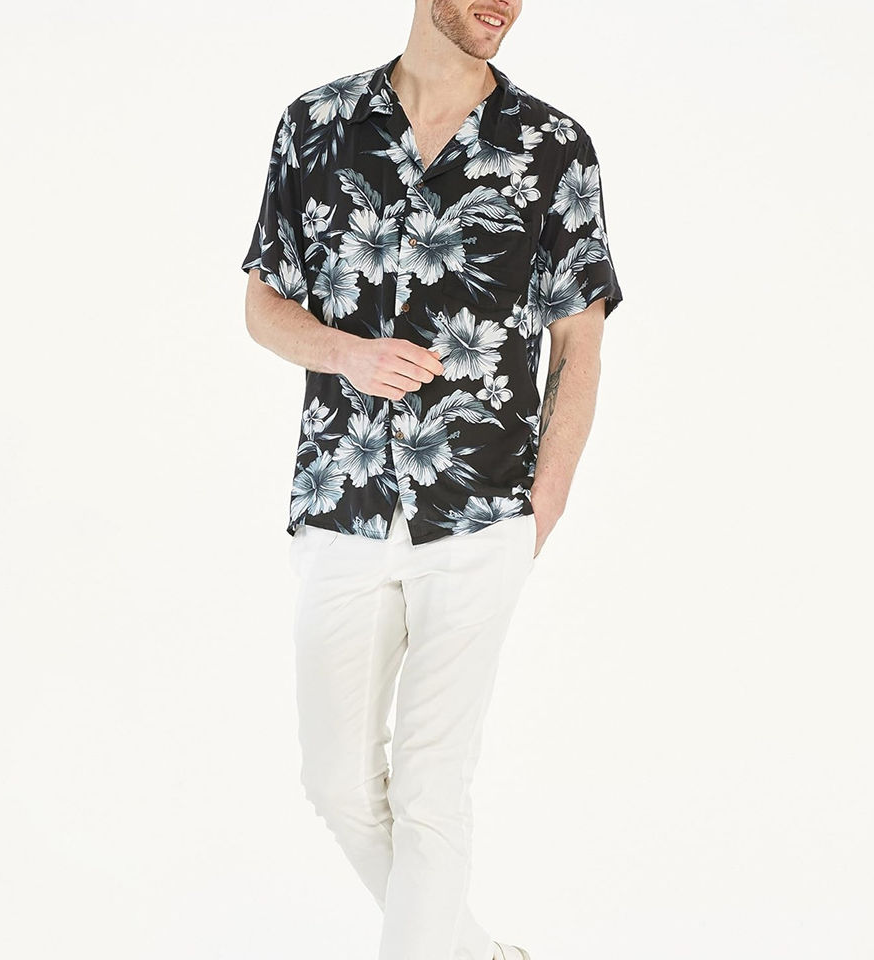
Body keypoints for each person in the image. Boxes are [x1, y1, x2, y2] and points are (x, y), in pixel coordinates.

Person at [240, 2, 623, 958]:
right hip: (342, 500)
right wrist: (345, 353)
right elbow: (263, 304)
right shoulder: (317, 123)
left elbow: (580, 345)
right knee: (335, 781)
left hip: (484, 511)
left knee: (430, 788)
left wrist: (545, 502)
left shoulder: (553, 147)